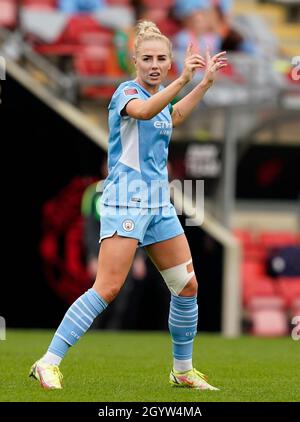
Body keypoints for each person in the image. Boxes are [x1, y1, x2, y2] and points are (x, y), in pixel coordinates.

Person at [29, 20, 227, 390]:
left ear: (169, 62)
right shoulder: (126, 93)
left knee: (186, 286)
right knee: (106, 288)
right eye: (147, 58)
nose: (154, 64)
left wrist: (205, 83)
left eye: (161, 59)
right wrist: (183, 80)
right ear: (134, 61)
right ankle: (48, 361)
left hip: (158, 204)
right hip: (125, 201)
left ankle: (182, 370)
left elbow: (173, 115)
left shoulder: (162, 96)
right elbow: (147, 111)